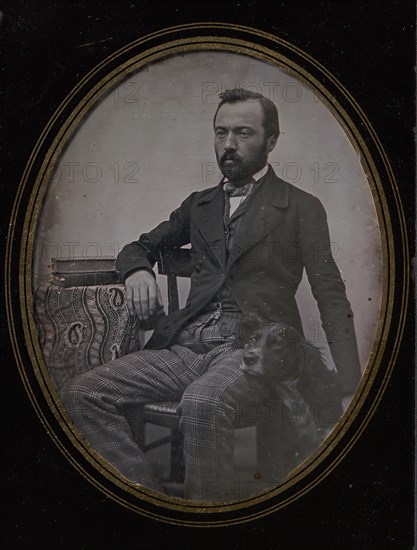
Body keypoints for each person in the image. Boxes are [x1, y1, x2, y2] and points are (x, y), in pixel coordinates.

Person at [61, 88, 362, 502]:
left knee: (202, 402)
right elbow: (138, 247)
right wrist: (136, 272)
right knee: (81, 394)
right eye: (221, 133)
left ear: (271, 141)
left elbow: (330, 293)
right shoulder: (198, 205)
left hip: (253, 348)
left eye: (243, 133)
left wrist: (349, 384)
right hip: (186, 346)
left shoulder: (300, 206)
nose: (229, 145)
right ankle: (151, 509)